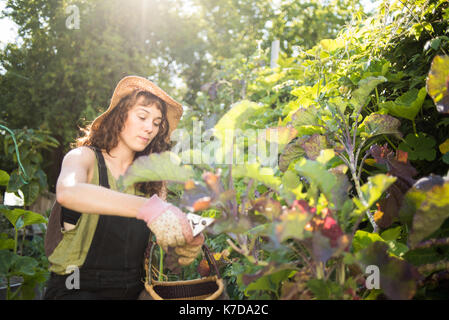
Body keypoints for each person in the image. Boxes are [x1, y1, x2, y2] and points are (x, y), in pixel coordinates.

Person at [43, 76, 204, 300]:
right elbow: (69, 192)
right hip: (76, 286)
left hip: (132, 290)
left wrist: (185, 241)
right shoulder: (84, 158)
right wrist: (150, 208)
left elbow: (163, 242)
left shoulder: (153, 181)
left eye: (157, 123)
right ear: (120, 115)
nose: (149, 128)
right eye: (142, 116)